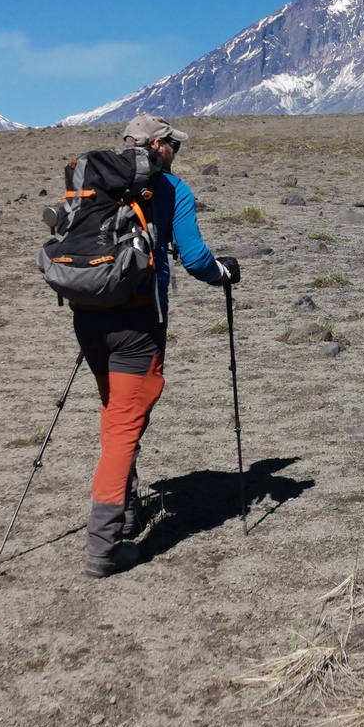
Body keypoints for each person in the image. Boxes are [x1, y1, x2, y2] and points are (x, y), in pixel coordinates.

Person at [74, 113, 239, 578]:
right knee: (126, 422)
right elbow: (194, 258)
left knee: (115, 412)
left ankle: (126, 510)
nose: (177, 155)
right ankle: (105, 548)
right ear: (159, 145)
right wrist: (223, 272)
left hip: (88, 315)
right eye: (175, 147)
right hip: (139, 322)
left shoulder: (95, 177)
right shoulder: (171, 189)